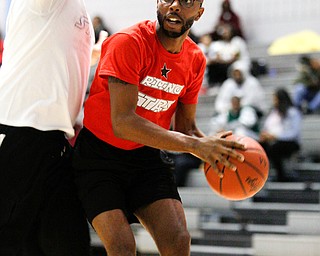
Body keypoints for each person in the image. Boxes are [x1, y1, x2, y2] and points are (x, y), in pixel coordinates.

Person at [72, 0, 245, 255]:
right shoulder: (128, 42)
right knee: (122, 247)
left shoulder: (195, 59)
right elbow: (123, 123)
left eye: (186, 1)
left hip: (146, 157)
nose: (175, 6)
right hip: (99, 158)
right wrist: (197, 146)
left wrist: (216, 147)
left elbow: (186, 129)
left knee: (178, 240)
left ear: (199, 12)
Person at [0, 1, 93, 255]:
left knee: (69, 245)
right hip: (20, 131)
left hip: (55, 142)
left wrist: (96, 51)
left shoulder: (77, 7)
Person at [259, 88, 302, 182]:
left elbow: (293, 133)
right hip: (273, 140)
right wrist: (265, 135)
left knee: (275, 149)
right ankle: (261, 175)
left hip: (290, 142)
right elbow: (267, 126)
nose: (274, 102)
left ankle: (281, 176)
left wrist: (275, 136)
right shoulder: (274, 113)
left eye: (276, 99)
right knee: (259, 146)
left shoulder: (293, 113)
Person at [206, 23, 250, 90]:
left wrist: (226, 60)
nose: (225, 33)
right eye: (223, 31)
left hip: (236, 63)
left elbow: (235, 57)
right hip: (222, 64)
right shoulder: (217, 44)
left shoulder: (237, 41)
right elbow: (215, 57)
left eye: (227, 31)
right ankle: (215, 84)